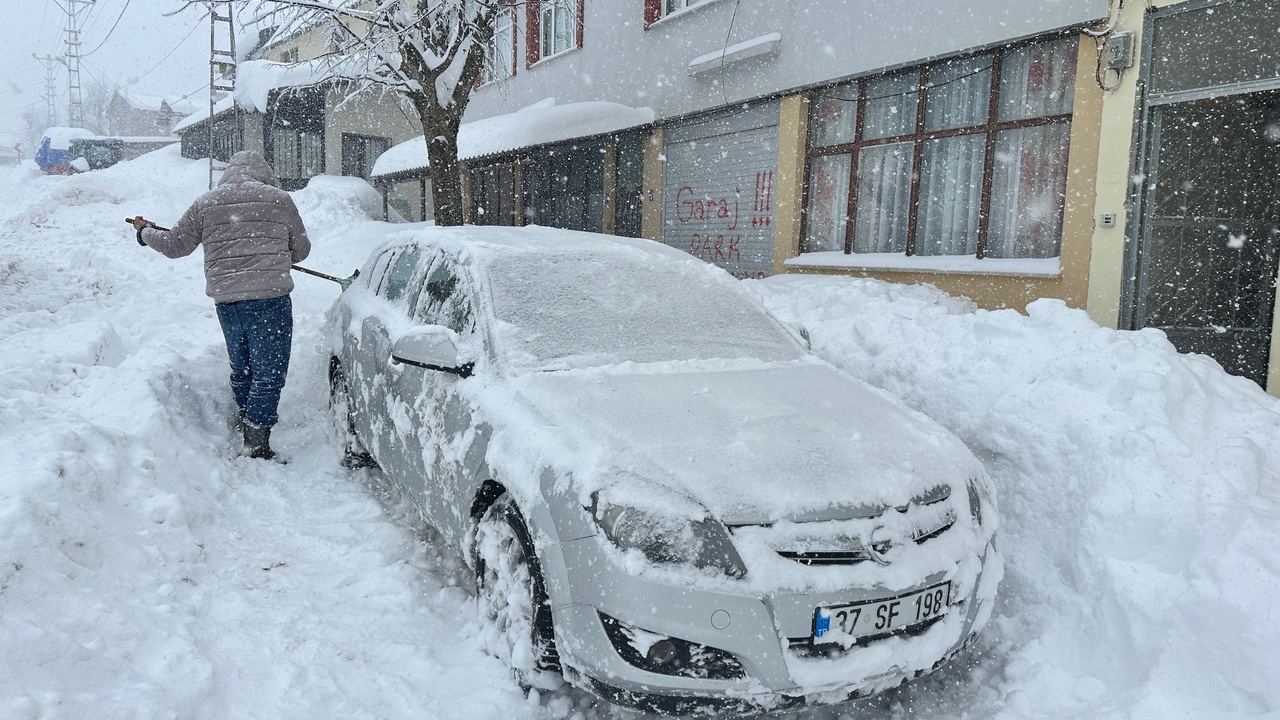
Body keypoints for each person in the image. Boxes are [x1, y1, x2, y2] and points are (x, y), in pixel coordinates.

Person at [130, 150, 311, 460]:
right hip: (270, 301)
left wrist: (145, 233)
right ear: (263, 174)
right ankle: (257, 439)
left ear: (229, 172)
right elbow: (302, 250)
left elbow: (175, 244)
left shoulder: (206, 203)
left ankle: (245, 416)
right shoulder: (278, 199)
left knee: (242, 367)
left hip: (228, 303)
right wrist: (276, 253)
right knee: (269, 372)